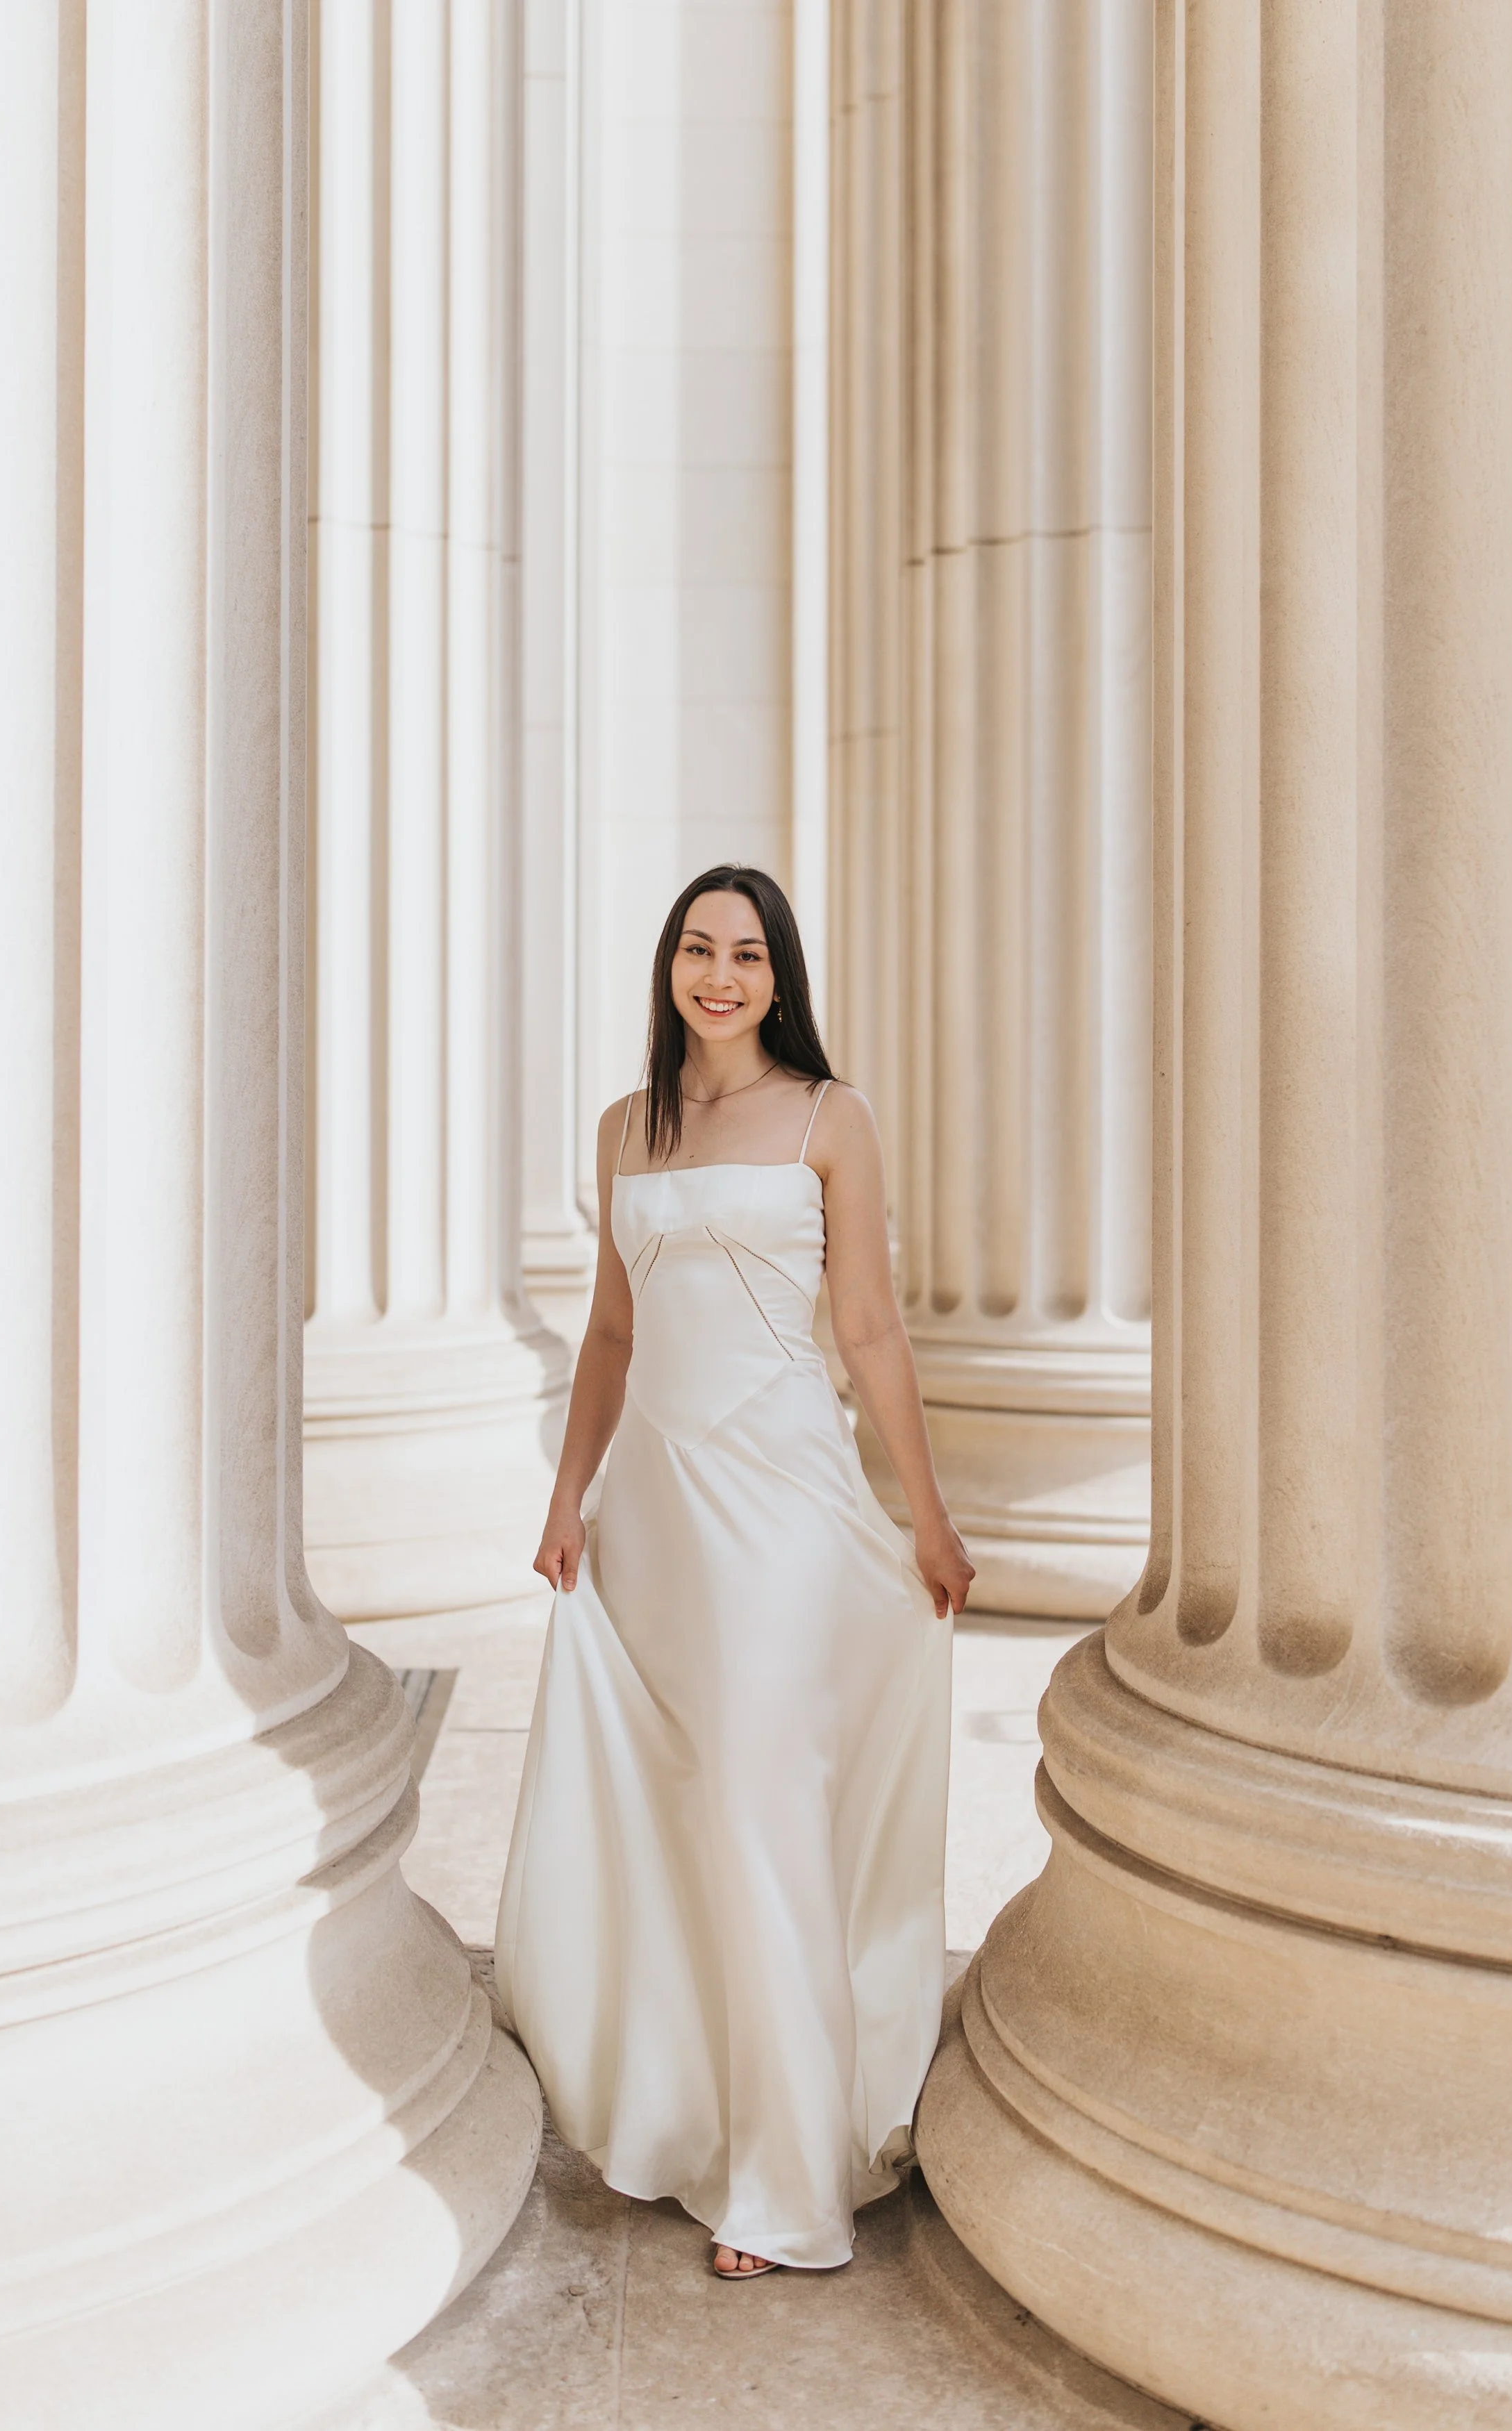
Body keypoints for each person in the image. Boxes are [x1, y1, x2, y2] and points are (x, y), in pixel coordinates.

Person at [495, 864, 974, 2282]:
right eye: (697, 950)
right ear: (667, 968)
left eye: (746, 955)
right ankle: (692, 2105)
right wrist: (566, 1496)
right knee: (681, 1811)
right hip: (652, 1516)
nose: (718, 975)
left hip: (780, 1514)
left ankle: (784, 2184)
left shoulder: (833, 1118)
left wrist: (926, 1516)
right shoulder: (624, 1129)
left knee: (767, 1810)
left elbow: (871, 1332)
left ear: (780, 979)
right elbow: (606, 1338)